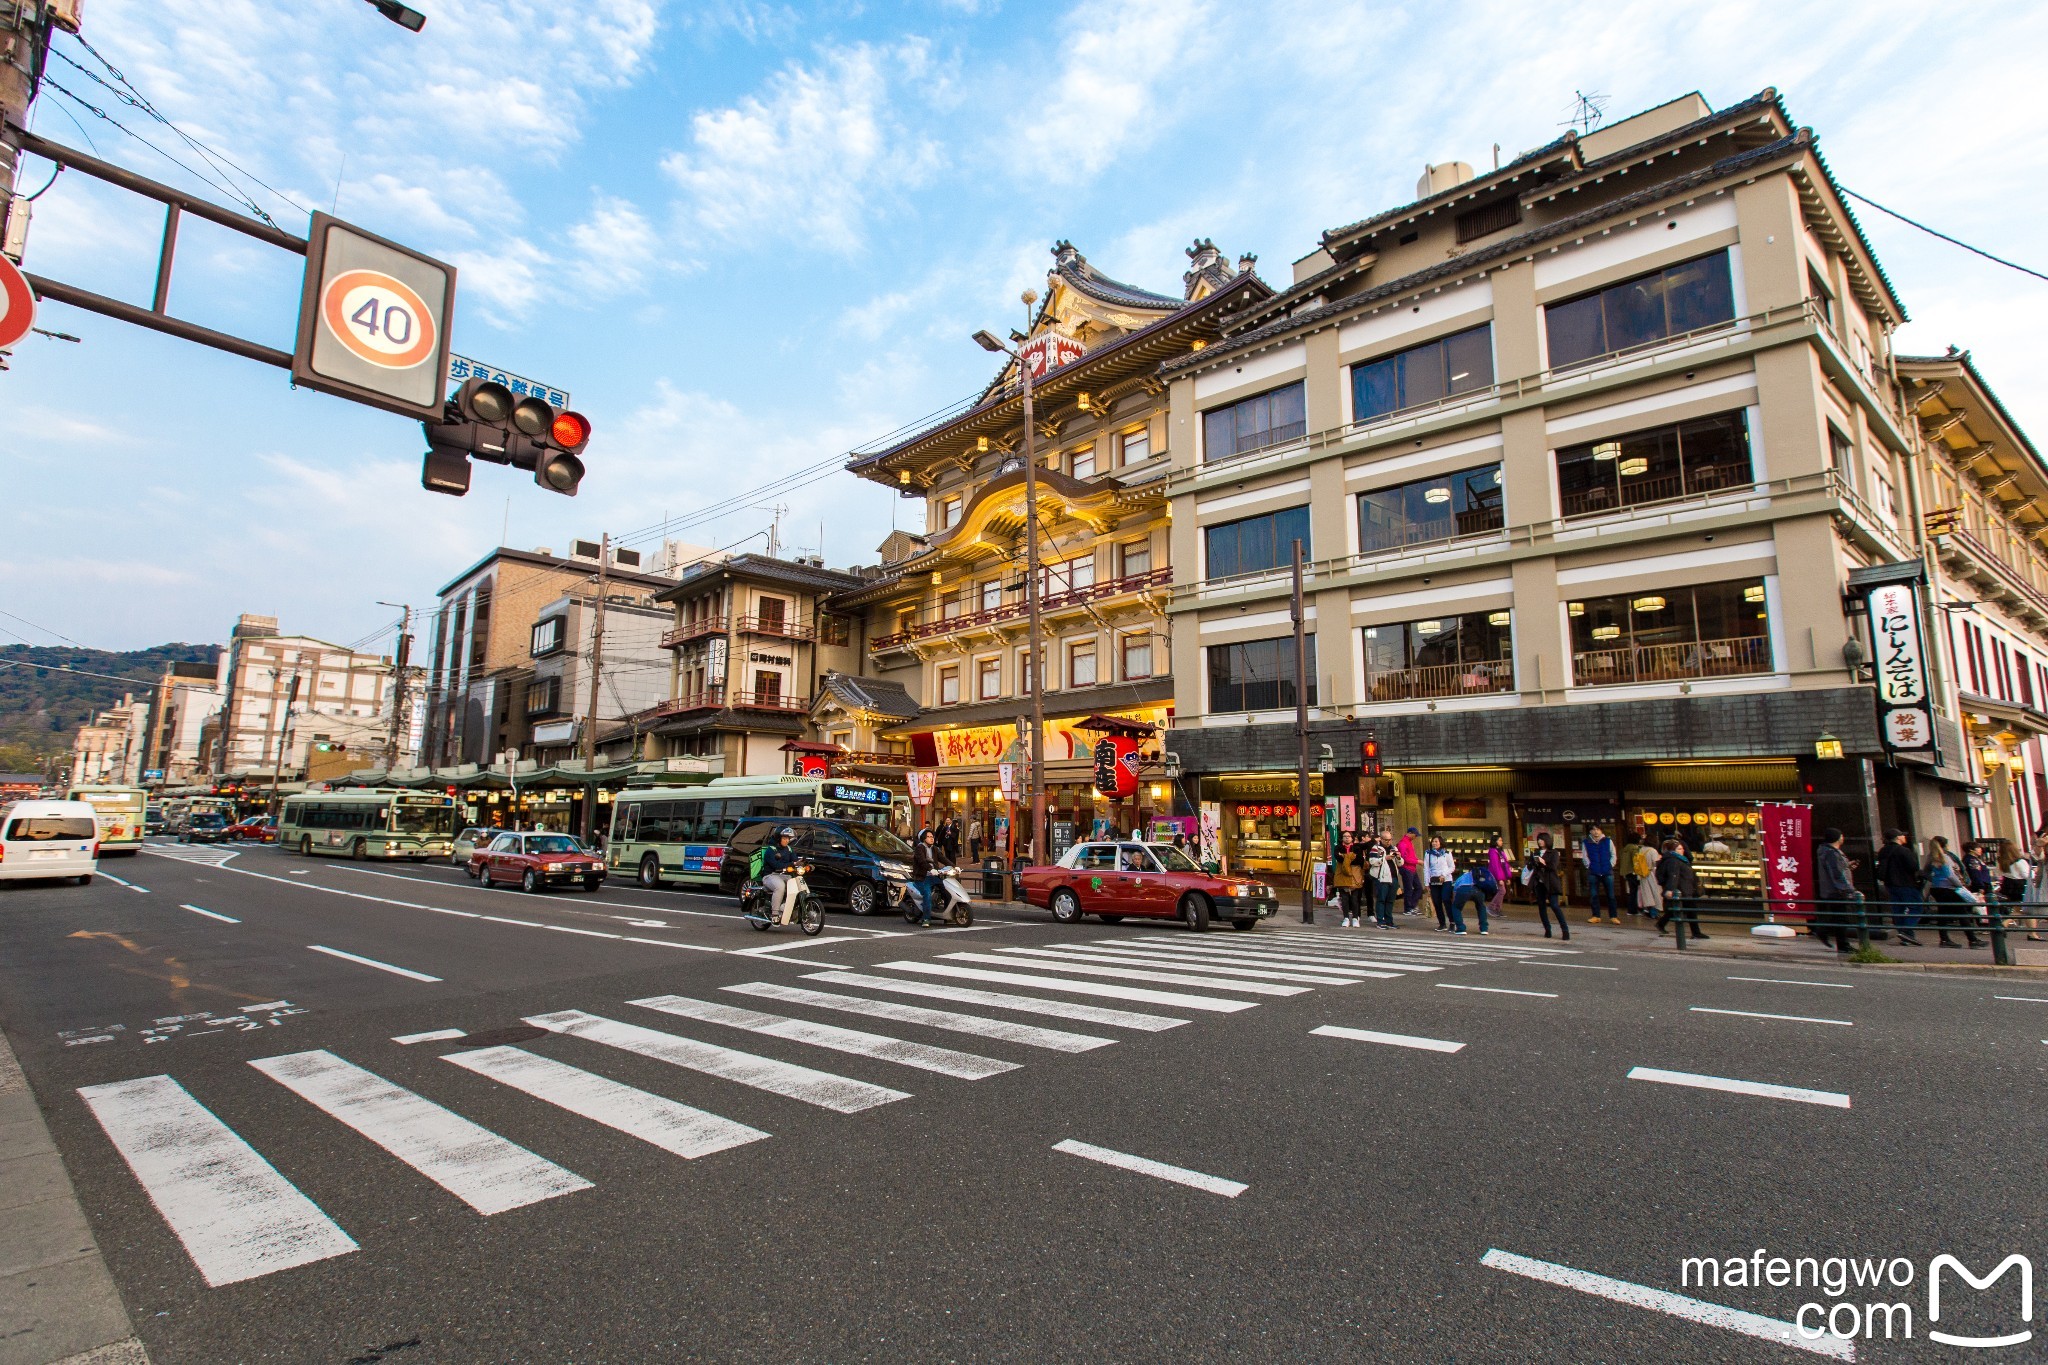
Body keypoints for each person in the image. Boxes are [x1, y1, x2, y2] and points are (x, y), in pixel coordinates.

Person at [1923, 835, 1985, 948]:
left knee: (1943, 914)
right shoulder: (1945, 857)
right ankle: (1972, 940)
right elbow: (1950, 874)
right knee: (1962, 912)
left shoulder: (1931, 857)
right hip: (1949, 888)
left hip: (1937, 888)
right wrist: (1960, 885)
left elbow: (1925, 872)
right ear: (1945, 845)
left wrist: (1934, 880)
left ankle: (1945, 939)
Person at [1873, 829, 1924, 947]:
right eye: (1902, 835)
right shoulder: (1904, 851)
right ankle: (1907, 931)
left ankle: (1905, 935)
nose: (1904, 837)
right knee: (1916, 907)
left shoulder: (1883, 850)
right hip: (1905, 883)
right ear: (1897, 837)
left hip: (1890, 884)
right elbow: (1913, 867)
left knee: (1898, 909)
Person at [1812, 826, 1858, 953]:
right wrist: (1848, 889)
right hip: (1837, 891)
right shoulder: (1831, 853)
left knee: (1838, 916)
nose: (1843, 838)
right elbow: (1836, 873)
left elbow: (1836, 870)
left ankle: (1827, 933)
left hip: (1832, 889)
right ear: (1837, 838)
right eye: (1841, 836)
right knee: (1841, 918)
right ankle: (1839, 942)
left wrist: (1848, 867)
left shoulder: (1827, 851)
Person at [1654, 838, 1706, 940]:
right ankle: (1696, 932)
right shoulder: (1674, 860)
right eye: (1679, 849)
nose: (1682, 850)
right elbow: (1673, 875)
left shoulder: (1678, 859)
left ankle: (1661, 923)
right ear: (1673, 851)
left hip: (1684, 888)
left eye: (1682, 848)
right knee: (1690, 910)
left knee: (1676, 910)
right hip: (1682, 889)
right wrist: (1670, 889)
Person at [1526, 833, 1568, 940]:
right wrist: (1531, 862)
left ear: (1547, 841)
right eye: (1538, 839)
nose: (1540, 842)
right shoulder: (1536, 852)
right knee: (1541, 906)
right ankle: (1547, 929)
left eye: (1542, 840)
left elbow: (1553, 866)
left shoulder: (1553, 853)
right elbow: (1530, 867)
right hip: (1539, 882)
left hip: (1550, 882)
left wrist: (1543, 862)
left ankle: (1565, 930)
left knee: (1554, 905)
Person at [760, 826, 803, 926]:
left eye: (788, 838)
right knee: (780, 887)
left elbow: (795, 860)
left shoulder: (789, 849)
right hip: (770, 875)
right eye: (784, 838)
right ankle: (775, 914)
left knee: (797, 886)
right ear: (778, 838)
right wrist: (791, 864)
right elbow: (775, 865)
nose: (786, 840)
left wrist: (802, 864)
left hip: (784, 875)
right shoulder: (771, 850)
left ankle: (787, 908)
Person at [1449, 857, 1497, 935]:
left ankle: (1461, 928)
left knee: (1456, 907)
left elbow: (1455, 890)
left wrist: (1454, 900)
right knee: (1481, 907)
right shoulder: (1482, 875)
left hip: (1463, 889)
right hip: (1478, 890)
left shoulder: (1464, 876)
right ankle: (1484, 929)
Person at [1582, 825, 1617, 924]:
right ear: (1590, 831)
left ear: (1601, 830)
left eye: (1598, 829)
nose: (1596, 832)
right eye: (1593, 829)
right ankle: (1596, 915)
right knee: (1593, 895)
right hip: (1593, 871)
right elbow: (1585, 856)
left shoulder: (1608, 841)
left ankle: (1613, 916)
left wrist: (1610, 865)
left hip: (1607, 871)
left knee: (1611, 895)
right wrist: (1589, 866)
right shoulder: (1586, 842)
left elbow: (1613, 854)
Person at [910, 827, 942, 928]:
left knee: (946, 889)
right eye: (928, 837)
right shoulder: (920, 848)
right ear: (924, 838)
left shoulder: (935, 848)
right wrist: (930, 869)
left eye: (932, 836)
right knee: (927, 895)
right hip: (923, 877)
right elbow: (922, 861)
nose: (931, 838)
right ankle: (926, 918)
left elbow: (943, 858)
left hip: (934, 876)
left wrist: (954, 866)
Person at [1424, 835, 1456, 931]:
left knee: (1446, 900)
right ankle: (1442, 923)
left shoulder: (1447, 853)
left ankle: (1452, 922)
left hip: (1446, 880)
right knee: (1437, 902)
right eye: (1433, 841)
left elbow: (1452, 867)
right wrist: (1426, 882)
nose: (1434, 843)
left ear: (1440, 842)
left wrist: (1443, 874)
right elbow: (1426, 868)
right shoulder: (1428, 854)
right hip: (1434, 880)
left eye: (1436, 841)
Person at [1333, 836, 1366, 927]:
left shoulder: (1357, 847)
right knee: (1345, 898)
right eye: (1344, 836)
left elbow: (1360, 860)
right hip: (1342, 874)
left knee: (1355, 898)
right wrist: (1350, 857)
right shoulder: (1338, 847)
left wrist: (1345, 857)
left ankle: (1355, 918)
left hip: (1355, 874)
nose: (1347, 838)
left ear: (1352, 838)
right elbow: (1338, 858)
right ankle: (1346, 918)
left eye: (1349, 836)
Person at [1368, 835, 1399, 927]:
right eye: (1386, 840)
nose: (1388, 842)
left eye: (1390, 840)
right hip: (1381, 878)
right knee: (1381, 899)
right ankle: (1380, 921)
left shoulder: (1394, 848)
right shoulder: (1376, 848)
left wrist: (1399, 857)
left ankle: (1389, 921)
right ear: (1381, 839)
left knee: (1390, 900)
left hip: (1393, 877)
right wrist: (1384, 858)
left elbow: (1400, 863)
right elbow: (1372, 861)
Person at [1632, 836, 1663, 918]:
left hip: (1642, 874)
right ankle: (1654, 912)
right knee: (1655, 893)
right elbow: (1656, 863)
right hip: (1651, 873)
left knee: (1647, 894)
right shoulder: (1653, 851)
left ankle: (1648, 910)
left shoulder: (1641, 849)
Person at [1485, 833, 1513, 921]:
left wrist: (1507, 876)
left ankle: (1497, 909)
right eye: (1500, 840)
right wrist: (1499, 878)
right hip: (1497, 875)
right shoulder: (1493, 851)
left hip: (1502, 875)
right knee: (1502, 891)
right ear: (1495, 841)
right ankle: (1491, 907)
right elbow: (1495, 866)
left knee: (1502, 891)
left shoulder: (1500, 851)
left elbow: (1505, 864)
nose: (1502, 842)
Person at [1397, 827, 1423, 915]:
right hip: (1406, 868)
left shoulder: (1409, 842)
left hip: (1412, 868)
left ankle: (1412, 906)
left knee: (1418, 887)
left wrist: (1417, 861)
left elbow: (1411, 856)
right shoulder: (1403, 843)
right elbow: (1404, 858)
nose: (1415, 837)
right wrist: (1417, 861)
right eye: (1415, 835)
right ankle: (1408, 908)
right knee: (1408, 889)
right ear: (1410, 833)